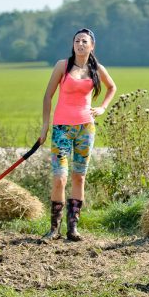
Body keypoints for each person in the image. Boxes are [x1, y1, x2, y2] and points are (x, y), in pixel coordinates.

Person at [40, 28, 117, 241]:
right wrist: (45, 126)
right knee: (59, 178)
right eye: (76, 41)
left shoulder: (96, 69)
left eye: (84, 41)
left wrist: (102, 107)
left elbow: (112, 87)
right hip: (61, 129)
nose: (80, 44)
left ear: (92, 46)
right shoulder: (62, 66)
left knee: (79, 177)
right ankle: (54, 229)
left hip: (86, 129)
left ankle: (72, 229)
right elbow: (48, 96)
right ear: (73, 45)